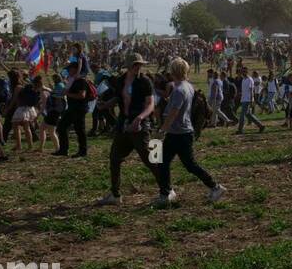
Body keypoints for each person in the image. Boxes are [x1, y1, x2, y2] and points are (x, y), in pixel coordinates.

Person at [153, 58, 224, 207]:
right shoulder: (188, 86)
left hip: (178, 133)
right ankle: (166, 193)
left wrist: (161, 131)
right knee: (164, 162)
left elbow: (173, 112)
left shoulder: (179, 90)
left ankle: (215, 187)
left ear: (174, 71)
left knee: (186, 164)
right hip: (181, 132)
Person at [97, 55, 161, 205]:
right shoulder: (120, 81)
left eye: (139, 64)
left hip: (140, 126)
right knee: (114, 158)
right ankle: (115, 194)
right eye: (135, 65)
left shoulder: (145, 81)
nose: (138, 67)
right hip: (123, 125)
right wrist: (106, 105)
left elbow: (151, 104)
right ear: (128, 66)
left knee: (152, 159)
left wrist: (140, 118)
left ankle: (167, 189)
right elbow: (118, 99)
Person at [54, 63, 92, 157]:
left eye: (70, 69)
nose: (68, 71)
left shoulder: (81, 81)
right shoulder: (72, 81)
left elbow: (82, 95)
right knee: (62, 126)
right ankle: (63, 150)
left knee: (80, 130)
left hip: (79, 109)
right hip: (72, 108)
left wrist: (68, 94)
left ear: (75, 69)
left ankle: (83, 151)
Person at [236, 66, 265, 134]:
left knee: (242, 115)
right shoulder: (243, 80)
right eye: (243, 71)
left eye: (245, 71)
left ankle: (240, 130)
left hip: (248, 99)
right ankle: (261, 126)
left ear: (247, 72)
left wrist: (252, 99)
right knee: (248, 115)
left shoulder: (250, 79)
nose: (244, 72)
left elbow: (252, 90)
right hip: (243, 99)